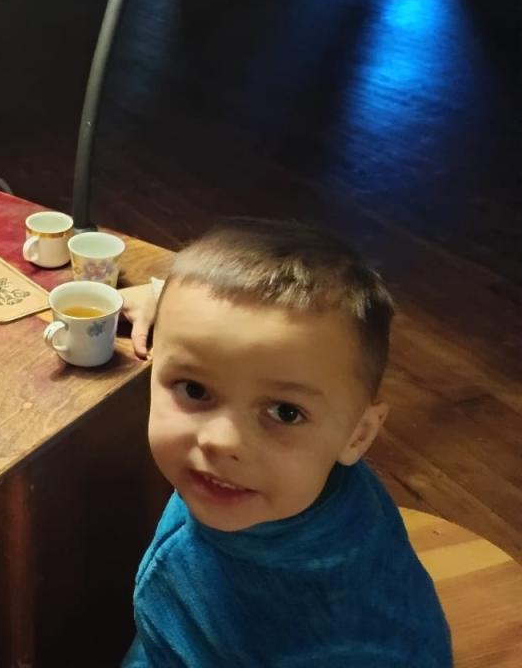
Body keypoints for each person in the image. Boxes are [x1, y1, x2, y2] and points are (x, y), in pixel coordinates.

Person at [119, 218, 451, 667]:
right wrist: (158, 298)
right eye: (194, 389)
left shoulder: (348, 641)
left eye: (285, 413)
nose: (221, 441)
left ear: (358, 434)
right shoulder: (264, 484)